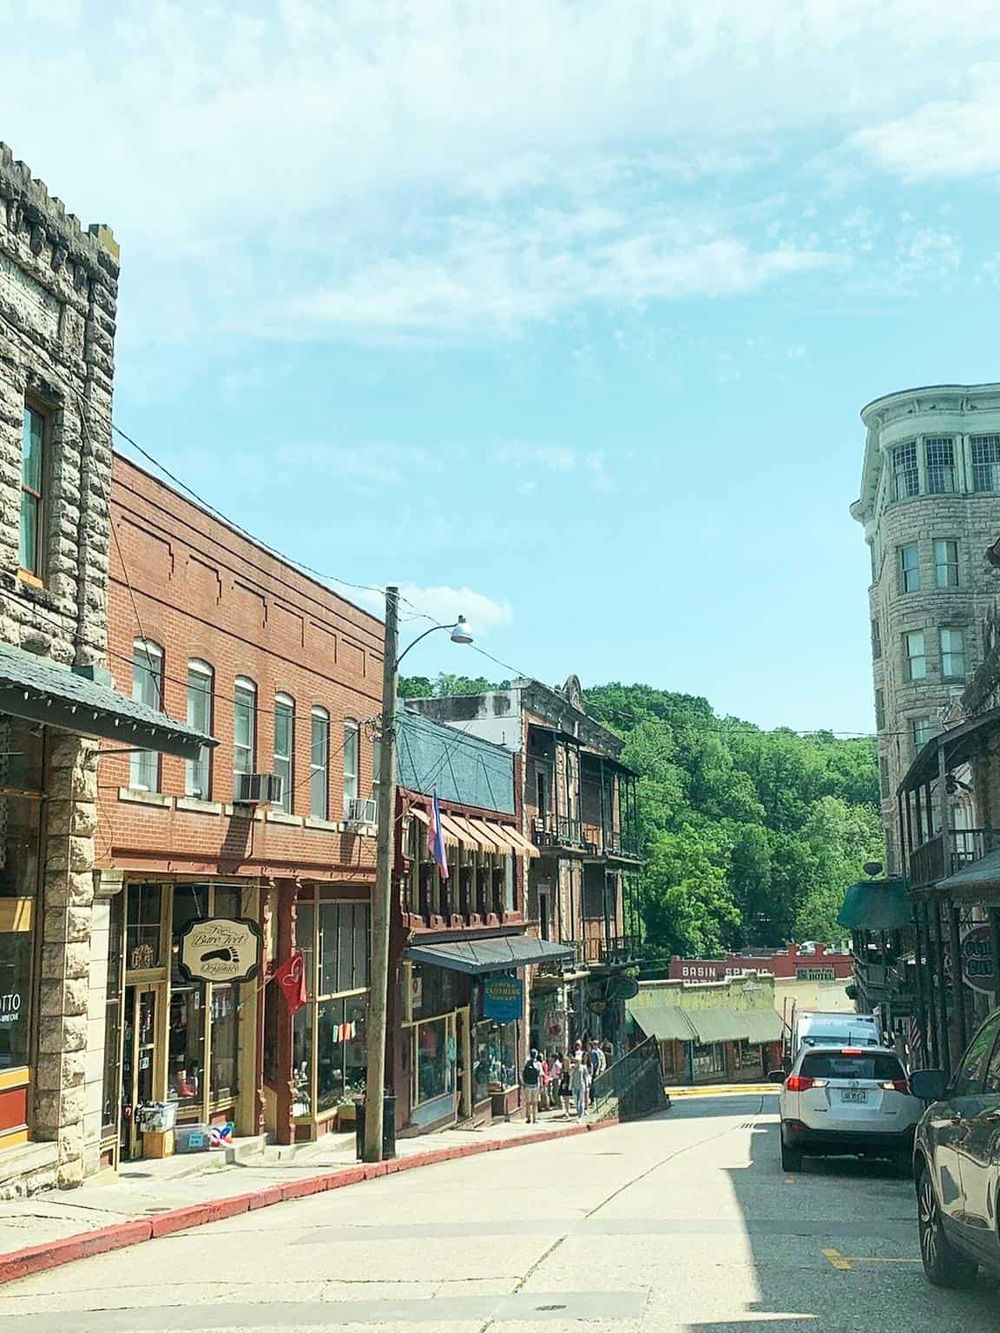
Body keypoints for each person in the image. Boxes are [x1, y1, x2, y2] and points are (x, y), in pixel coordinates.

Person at [522, 1048, 542, 1124]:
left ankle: (528, 1118)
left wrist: (523, 1083)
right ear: (536, 1055)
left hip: (527, 1085)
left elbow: (523, 1073)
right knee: (535, 1102)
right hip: (535, 1085)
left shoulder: (526, 1063)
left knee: (528, 1103)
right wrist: (541, 1086)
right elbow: (540, 1076)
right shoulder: (538, 1064)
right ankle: (535, 1118)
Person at [570, 1054, 590, 1120]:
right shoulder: (573, 1067)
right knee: (576, 1101)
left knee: (581, 1101)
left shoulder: (583, 1067)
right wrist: (573, 1069)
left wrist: (586, 1084)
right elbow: (570, 1074)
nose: (577, 1062)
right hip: (575, 1086)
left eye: (578, 1061)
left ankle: (580, 1116)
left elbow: (586, 1076)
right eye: (576, 1061)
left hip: (581, 1086)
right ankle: (578, 1112)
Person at [558, 1053, 572, 1117]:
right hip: (564, 1083)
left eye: (566, 1061)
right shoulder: (562, 1070)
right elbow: (560, 1077)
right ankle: (566, 1111)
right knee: (564, 1098)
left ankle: (567, 1111)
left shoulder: (570, 1069)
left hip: (569, 1083)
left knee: (567, 1098)